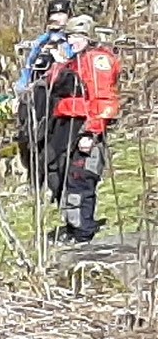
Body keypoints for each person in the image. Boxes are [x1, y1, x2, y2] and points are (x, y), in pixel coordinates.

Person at [42, 15, 122, 244]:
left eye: (76, 36)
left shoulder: (97, 61)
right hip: (67, 126)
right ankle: (72, 226)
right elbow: (52, 84)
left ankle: (82, 232)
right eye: (69, 36)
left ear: (88, 37)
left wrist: (91, 132)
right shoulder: (74, 60)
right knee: (63, 178)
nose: (71, 41)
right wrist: (57, 61)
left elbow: (104, 100)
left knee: (81, 178)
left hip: (85, 128)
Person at [15, 0, 73, 187]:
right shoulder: (41, 42)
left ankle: (54, 183)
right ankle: (33, 181)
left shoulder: (72, 41)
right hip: (35, 96)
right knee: (28, 138)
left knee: (51, 142)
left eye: (61, 14)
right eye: (53, 14)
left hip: (57, 97)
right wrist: (22, 89)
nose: (56, 18)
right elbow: (29, 67)